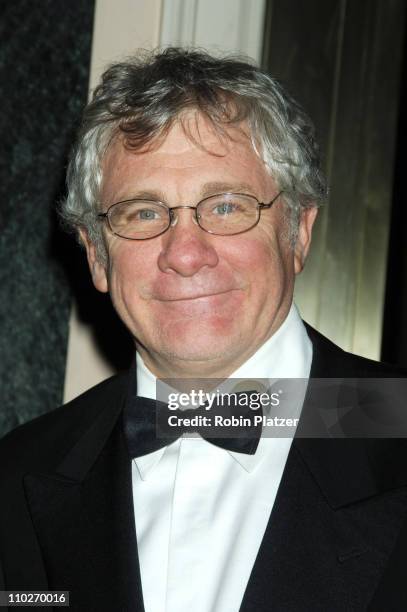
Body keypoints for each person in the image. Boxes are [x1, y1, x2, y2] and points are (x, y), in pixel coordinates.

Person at [0, 47, 406, 612]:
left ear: (298, 232)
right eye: (143, 212)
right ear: (96, 255)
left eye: (225, 206)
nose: (185, 255)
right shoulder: (17, 477)